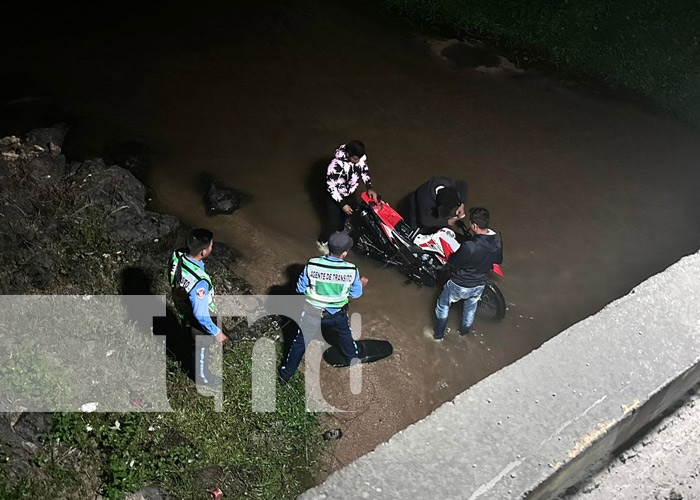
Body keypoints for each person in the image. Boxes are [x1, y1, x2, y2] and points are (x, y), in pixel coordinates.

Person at [280, 232, 368, 383]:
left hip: (311, 313)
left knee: (299, 344)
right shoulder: (351, 270)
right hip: (337, 315)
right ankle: (352, 357)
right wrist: (360, 283)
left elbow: (300, 289)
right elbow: (356, 294)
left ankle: (285, 376)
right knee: (345, 335)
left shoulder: (312, 264)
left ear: (328, 248)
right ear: (345, 253)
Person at [169, 228, 228, 386]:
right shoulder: (200, 282)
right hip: (196, 321)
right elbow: (201, 315)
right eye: (210, 246)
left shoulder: (177, 255)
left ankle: (188, 349)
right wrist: (217, 332)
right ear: (203, 252)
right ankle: (202, 378)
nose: (211, 248)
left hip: (182, 309)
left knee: (189, 338)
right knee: (201, 349)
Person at [433, 207, 503, 340]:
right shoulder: (497, 239)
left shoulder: (469, 246)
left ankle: (438, 335)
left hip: (460, 284)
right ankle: (463, 334)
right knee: (470, 309)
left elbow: (454, 262)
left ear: (474, 226)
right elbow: (498, 259)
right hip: (480, 284)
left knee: (443, 305)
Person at [317, 140, 377, 254]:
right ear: (348, 154)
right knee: (333, 222)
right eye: (355, 158)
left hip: (349, 193)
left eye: (359, 158)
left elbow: (364, 171)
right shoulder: (335, 165)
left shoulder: (360, 158)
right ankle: (322, 241)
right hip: (335, 196)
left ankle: (339, 233)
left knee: (347, 215)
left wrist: (369, 187)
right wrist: (342, 204)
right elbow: (331, 187)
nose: (357, 161)